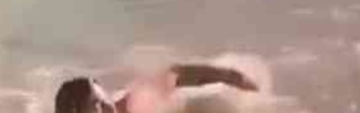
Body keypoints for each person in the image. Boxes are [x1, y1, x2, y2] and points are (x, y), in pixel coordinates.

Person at [55, 63, 260, 113]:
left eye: (102, 102)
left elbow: (177, 74)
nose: (103, 109)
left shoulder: (137, 103)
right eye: (94, 107)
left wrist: (229, 76)